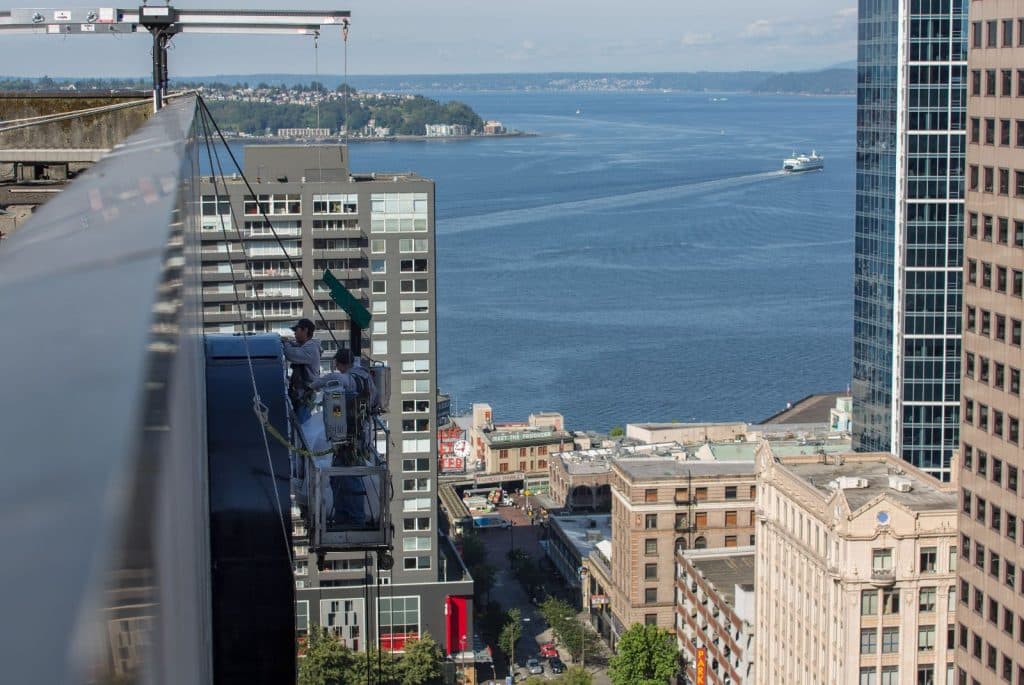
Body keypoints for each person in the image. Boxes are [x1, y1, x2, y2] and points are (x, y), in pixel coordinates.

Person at [283, 318, 321, 422]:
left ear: (305, 330)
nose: (294, 333)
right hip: (300, 395)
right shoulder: (305, 346)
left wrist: (286, 343)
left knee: (302, 428)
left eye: (297, 330)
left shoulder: (311, 347)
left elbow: (291, 354)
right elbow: (295, 347)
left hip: (305, 395)